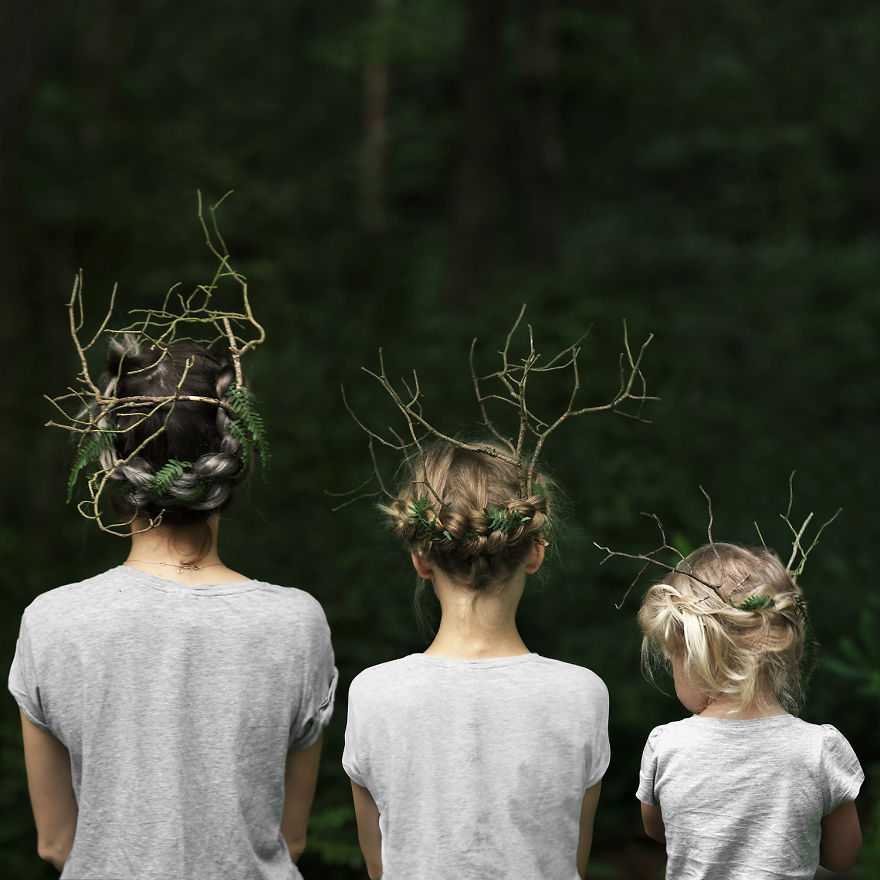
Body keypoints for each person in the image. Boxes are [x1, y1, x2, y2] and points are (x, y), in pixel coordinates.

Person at [9, 339, 337, 880]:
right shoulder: (297, 623)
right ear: (232, 462)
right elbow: (289, 839)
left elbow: (55, 844)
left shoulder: (52, 622)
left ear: (111, 464)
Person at [342, 440, 610, 880]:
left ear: (421, 560)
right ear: (536, 552)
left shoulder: (373, 694)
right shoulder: (582, 694)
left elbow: (380, 866)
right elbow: (568, 862)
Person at [636, 542, 863, 879]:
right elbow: (842, 858)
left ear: (690, 645)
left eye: (672, 659)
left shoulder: (666, 745)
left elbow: (658, 828)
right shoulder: (819, 750)